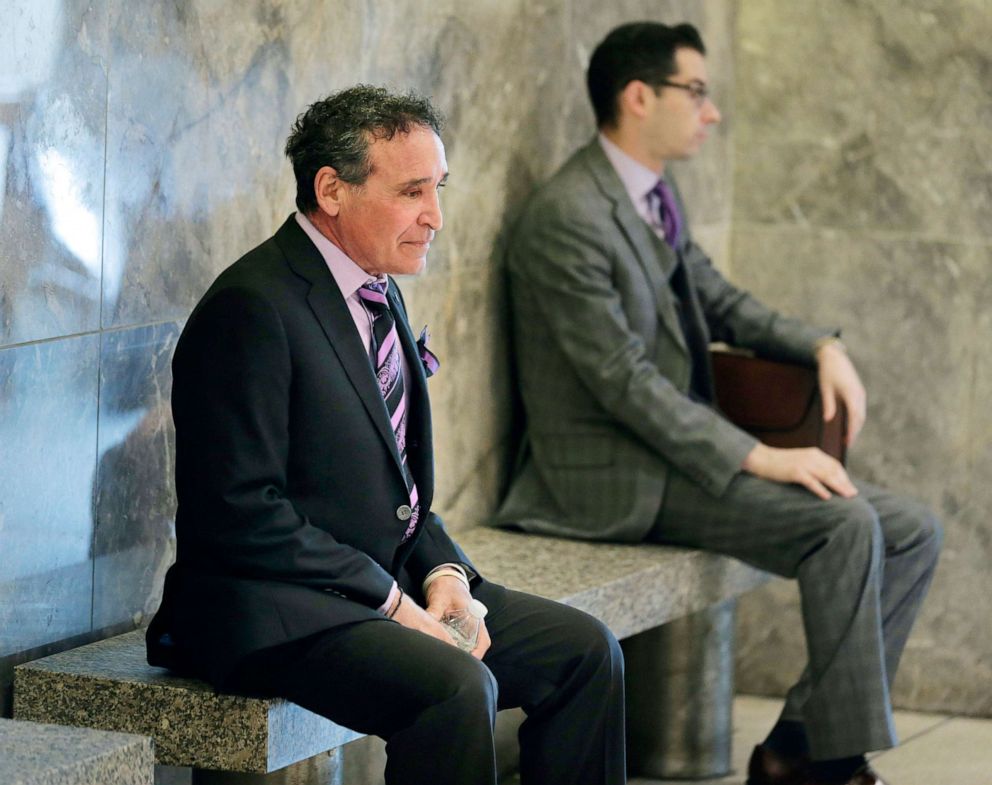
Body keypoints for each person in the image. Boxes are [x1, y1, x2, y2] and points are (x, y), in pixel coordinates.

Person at [496, 22, 941, 785]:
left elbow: (720, 299)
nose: (712, 112)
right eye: (696, 92)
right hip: (608, 475)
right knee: (843, 523)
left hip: (674, 457)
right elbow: (622, 379)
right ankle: (827, 762)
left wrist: (821, 345)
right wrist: (761, 453)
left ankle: (798, 742)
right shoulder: (568, 216)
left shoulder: (649, 196)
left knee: (913, 529)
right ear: (639, 97)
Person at [146, 85, 626, 785]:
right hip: (272, 607)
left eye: (438, 188)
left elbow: (399, 485)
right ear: (332, 190)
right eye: (411, 191)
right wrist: (396, 604)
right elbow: (240, 514)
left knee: (586, 652)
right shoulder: (251, 308)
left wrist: (445, 576)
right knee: (455, 687)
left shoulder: (376, 286)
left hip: (377, 584)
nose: (435, 216)